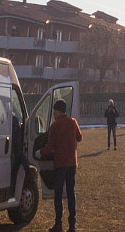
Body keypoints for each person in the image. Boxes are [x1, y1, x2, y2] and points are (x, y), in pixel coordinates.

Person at [34, 99, 82, 232]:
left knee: (58, 194)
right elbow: (80, 137)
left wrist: (39, 153)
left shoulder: (55, 126)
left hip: (60, 163)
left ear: (57, 111)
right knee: (71, 193)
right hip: (72, 163)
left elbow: (50, 147)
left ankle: (58, 223)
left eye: (54, 111)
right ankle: (72, 224)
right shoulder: (73, 122)